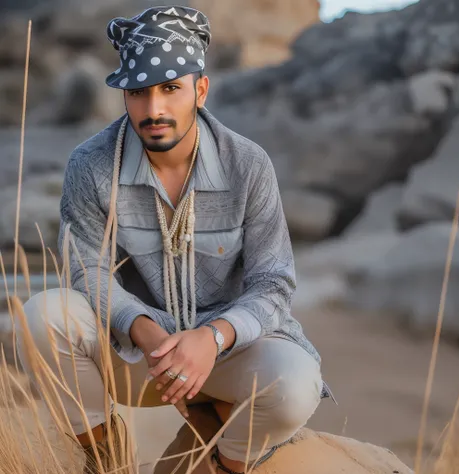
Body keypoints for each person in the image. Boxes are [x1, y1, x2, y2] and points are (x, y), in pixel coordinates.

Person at [17, 6, 333, 474]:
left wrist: (212, 338)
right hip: (139, 356)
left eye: (170, 89)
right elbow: (86, 269)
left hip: (226, 356)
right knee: (41, 318)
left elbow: (274, 283)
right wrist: (147, 332)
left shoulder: (248, 165)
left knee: (296, 384)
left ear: (200, 90)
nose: (154, 109)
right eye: (139, 92)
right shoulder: (91, 165)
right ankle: (105, 456)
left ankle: (220, 461)